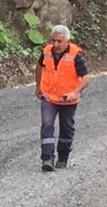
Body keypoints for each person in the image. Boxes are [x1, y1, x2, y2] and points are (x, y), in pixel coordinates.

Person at [37, 24, 88, 172]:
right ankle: (47, 158)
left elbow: (86, 78)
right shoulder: (46, 51)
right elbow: (39, 66)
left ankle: (63, 157)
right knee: (47, 124)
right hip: (49, 96)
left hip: (68, 100)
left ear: (67, 40)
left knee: (66, 128)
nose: (55, 44)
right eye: (53, 40)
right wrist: (38, 86)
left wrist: (75, 92)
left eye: (59, 41)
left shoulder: (76, 54)